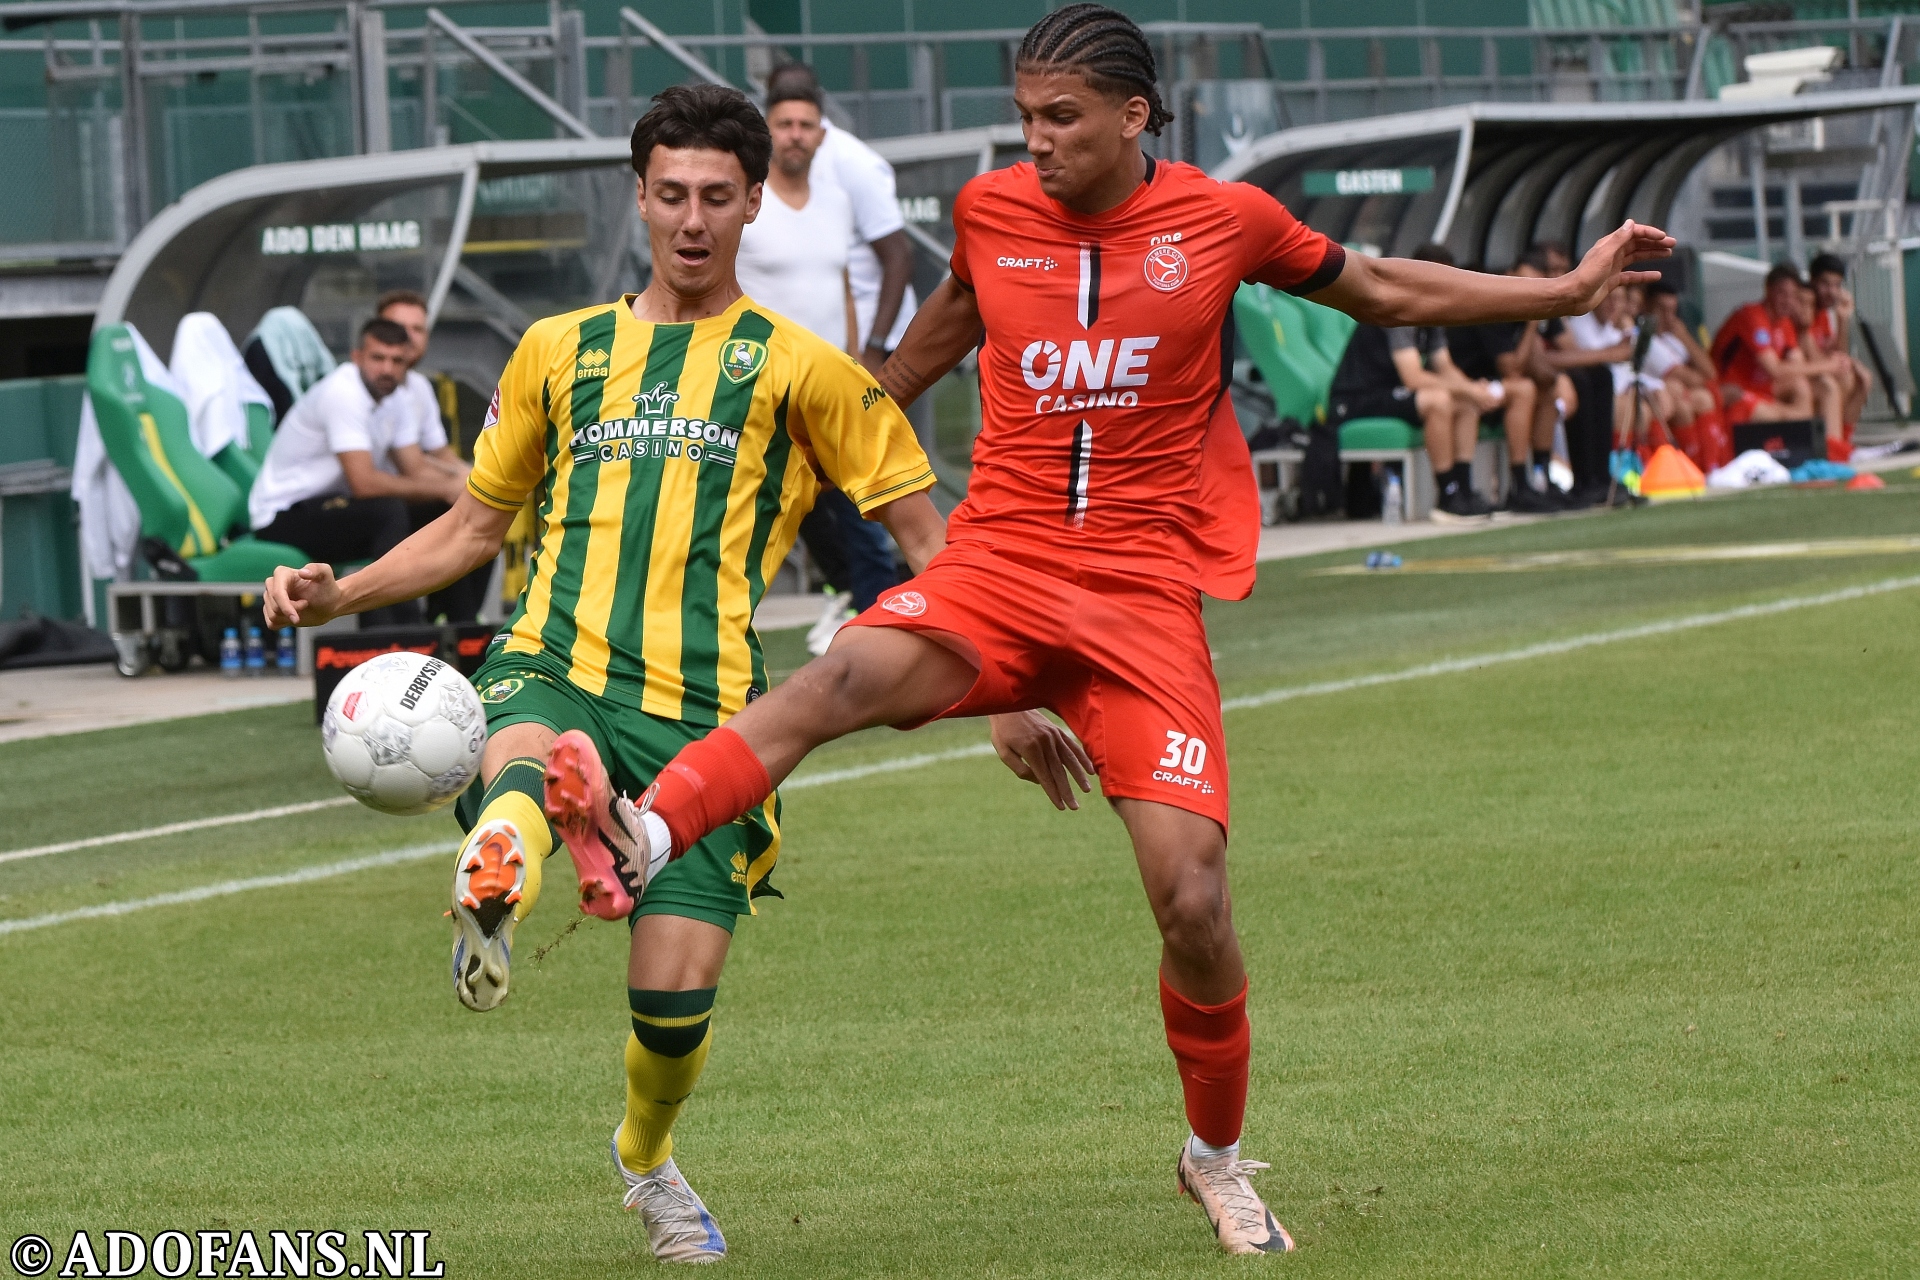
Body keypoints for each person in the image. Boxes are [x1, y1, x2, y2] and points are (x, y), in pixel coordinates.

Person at [613, 3, 1670, 1256]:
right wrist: (791, 430)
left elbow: (1379, 287)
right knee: (841, 674)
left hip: (1138, 597)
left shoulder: (1227, 222)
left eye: (1062, 119)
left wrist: (1565, 283)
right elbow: (913, 360)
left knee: (1195, 898)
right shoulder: (993, 214)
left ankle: (1214, 1156)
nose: (1037, 142)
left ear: (1134, 115)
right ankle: (642, 830)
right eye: (1026, 119)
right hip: (997, 565)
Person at [264, 83, 957, 1265]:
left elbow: (932, 542)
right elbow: (476, 529)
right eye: (672, 194)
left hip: (714, 718)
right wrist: (345, 591)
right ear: (639, 198)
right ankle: (506, 864)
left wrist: (1011, 686)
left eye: (718, 200)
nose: (693, 220)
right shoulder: (558, 349)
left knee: (673, 1010)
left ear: (755, 210)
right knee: (525, 748)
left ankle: (646, 1157)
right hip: (556, 660)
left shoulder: (806, 371)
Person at [736, 72, 901, 646]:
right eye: (785, 124)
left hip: (831, 386)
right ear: (768, 130)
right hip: (758, 389)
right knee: (754, 516)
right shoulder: (748, 202)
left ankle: (884, 628)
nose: (796, 135)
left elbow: (844, 286)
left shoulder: (836, 202)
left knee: (865, 513)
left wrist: (860, 363)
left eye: (807, 125)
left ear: (821, 134)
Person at [250, 317, 467, 626]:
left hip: (335, 508)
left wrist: (468, 488)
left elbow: (415, 468)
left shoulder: (397, 398)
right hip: (283, 516)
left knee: (458, 514)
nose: (387, 369)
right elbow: (364, 483)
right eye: (378, 358)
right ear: (357, 357)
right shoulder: (343, 392)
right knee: (387, 512)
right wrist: (446, 486)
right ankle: (402, 630)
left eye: (397, 361)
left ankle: (460, 627)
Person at [1329, 244, 1498, 523]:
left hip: (1390, 392)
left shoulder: (1432, 309)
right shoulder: (1397, 306)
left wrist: (1474, 391)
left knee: (1467, 402)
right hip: (1357, 397)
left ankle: (1464, 488)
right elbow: (1413, 377)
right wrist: (1468, 388)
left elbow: (1444, 365)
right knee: (1438, 400)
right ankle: (1447, 495)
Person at [374, 289, 492, 622]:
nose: (409, 337)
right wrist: (455, 486)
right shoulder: (371, 385)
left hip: (401, 500)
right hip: (369, 504)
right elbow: (412, 466)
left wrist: (478, 478)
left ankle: (456, 620)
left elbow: (440, 454)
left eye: (418, 329)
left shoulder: (418, 388)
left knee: (485, 504)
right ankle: (455, 623)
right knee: (456, 511)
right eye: (399, 327)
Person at [1447, 260, 1572, 514]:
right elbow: (1511, 369)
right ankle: (1519, 486)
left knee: (1547, 389)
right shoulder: (1491, 308)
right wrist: (1532, 324)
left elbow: (1544, 373)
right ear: (1509, 276)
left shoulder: (1525, 311)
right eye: (1523, 282)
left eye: (1535, 285)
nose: (1528, 289)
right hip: (1467, 385)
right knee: (1523, 388)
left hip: (1493, 387)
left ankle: (1542, 477)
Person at [1711, 263, 1840, 447]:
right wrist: (1828, 365)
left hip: (1760, 387)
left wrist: (1830, 366)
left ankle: (1834, 448)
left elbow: (1798, 365)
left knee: (1816, 385)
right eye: (1782, 293)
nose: (1787, 300)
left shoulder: (1784, 322)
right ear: (1768, 290)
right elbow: (1775, 370)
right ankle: (1807, 446)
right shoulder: (1752, 315)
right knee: (1785, 413)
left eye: (1792, 295)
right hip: (1731, 390)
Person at [1804, 253, 1872, 453]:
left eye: (1837, 285)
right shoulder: (1804, 310)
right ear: (1812, 281)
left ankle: (1845, 444)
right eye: (1825, 284)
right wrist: (1843, 362)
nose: (1831, 291)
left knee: (1861, 378)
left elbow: (1837, 355)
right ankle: (1835, 449)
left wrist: (1843, 320)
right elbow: (1817, 359)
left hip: (1814, 374)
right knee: (1831, 384)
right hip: (1799, 378)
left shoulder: (1825, 314)